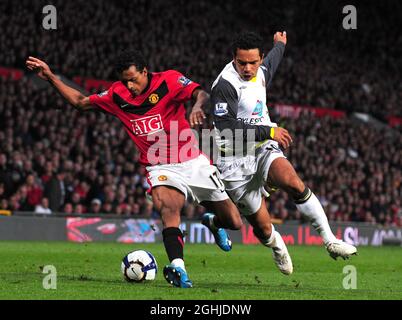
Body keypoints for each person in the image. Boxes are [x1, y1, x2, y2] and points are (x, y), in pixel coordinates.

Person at [26, 50, 243, 288]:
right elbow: (80, 102)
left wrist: (197, 106)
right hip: (159, 165)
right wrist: (50, 77)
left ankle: (213, 223)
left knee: (234, 222)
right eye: (124, 80)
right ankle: (179, 268)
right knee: (168, 208)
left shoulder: (169, 80)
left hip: (193, 161)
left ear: (144, 72)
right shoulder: (117, 95)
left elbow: (202, 93)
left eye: (133, 79)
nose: (129, 85)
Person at [209, 31, 357, 271]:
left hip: (262, 148)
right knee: (263, 228)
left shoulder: (262, 71)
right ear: (233, 58)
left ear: (260, 58)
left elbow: (273, 61)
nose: (247, 68)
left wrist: (280, 44)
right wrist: (268, 131)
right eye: (241, 62)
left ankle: (330, 240)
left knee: (294, 182)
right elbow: (227, 129)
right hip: (234, 159)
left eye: (253, 62)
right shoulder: (225, 85)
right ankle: (277, 245)